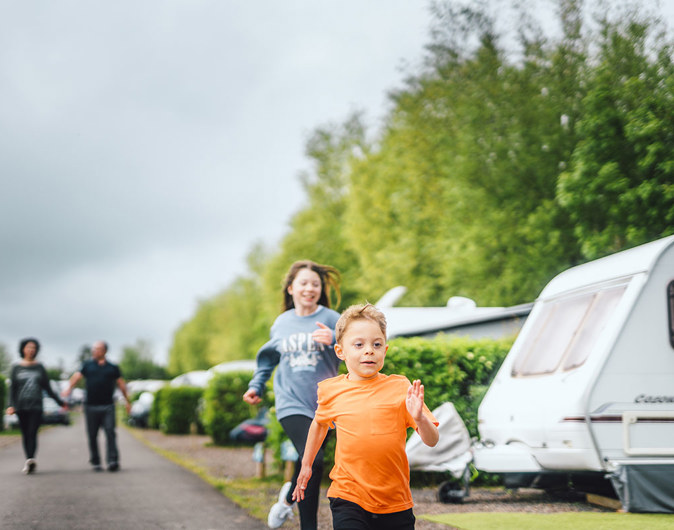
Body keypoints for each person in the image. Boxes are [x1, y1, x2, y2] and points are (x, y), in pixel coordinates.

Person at [292, 303, 440, 530]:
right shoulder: (331, 390)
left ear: (385, 351)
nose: (369, 350)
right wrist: (306, 465)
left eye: (376, 344)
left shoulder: (400, 387)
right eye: (359, 344)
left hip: (395, 501)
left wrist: (420, 418)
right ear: (341, 351)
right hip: (348, 494)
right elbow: (319, 425)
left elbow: (432, 440)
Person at [243, 260, 342, 529]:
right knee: (315, 460)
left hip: (324, 405)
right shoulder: (282, 323)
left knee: (307, 461)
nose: (310, 288)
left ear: (321, 290)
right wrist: (256, 385)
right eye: (304, 283)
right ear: (290, 288)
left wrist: (334, 339)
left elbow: (356, 348)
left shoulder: (332, 319)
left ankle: (287, 499)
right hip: (291, 402)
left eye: (315, 284)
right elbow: (267, 359)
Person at [62, 340, 131, 472]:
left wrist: (127, 401)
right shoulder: (87, 365)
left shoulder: (112, 367)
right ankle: (96, 461)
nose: (94, 351)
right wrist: (68, 389)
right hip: (91, 406)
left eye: (97, 349)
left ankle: (113, 460)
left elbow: (121, 384)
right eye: (93, 349)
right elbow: (77, 377)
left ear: (104, 351)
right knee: (92, 434)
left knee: (110, 432)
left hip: (108, 406)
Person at [6, 338, 68, 474]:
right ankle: (29, 459)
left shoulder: (40, 368)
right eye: (28, 347)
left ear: (36, 350)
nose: (31, 350)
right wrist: (10, 405)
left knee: (32, 432)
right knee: (25, 433)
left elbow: (47, 388)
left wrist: (60, 403)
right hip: (21, 406)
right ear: (23, 349)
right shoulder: (16, 368)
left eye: (33, 348)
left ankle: (30, 459)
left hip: (36, 406)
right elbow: (13, 389)